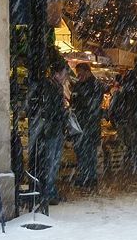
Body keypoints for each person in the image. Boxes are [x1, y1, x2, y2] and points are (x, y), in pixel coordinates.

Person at [70, 62, 105, 190]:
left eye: (80, 73)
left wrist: (80, 104)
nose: (79, 76)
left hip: (90, 125)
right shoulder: (80, 85)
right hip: (81, 125)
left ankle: (89, 177)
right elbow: (75, 101)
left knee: (89, 151)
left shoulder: (95, 85)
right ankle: (85, 176)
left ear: (87, 71)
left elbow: (92, 105)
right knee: (81, 151)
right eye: (77, 74)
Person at [40, 59, 69, 205]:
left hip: (54, 128)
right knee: (51, 162)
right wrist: (63, 113)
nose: (65, 77)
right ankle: (48, 192)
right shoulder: (52, 87)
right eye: (64, 74)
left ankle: (51, 191)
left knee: (53, 162)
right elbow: (52, 110)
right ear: (57, 74)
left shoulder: (54, 86)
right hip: (53, 129)